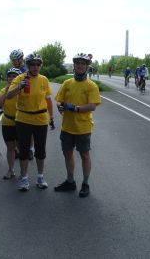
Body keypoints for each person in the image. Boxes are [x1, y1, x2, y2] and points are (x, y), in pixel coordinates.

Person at [54, 53, 101, 198]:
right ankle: (70, 181)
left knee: (84, 155)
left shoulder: (91, 85)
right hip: (67, 126)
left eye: (83, 63)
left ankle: (85, 184)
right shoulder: (67, 83)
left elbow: (92, 106)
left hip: (83, 127)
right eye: (78, 63)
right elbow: (59, 100)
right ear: (74, 66)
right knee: (67, 154)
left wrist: (75, 108)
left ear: (87, 67)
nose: (80, 65)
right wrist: (60, 106)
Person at [6, 54, 55, 191]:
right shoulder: (19, 78)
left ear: (40, 66)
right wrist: (19, 87)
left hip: (40, 119)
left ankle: (40, 177)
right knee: (24, 150)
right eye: (32, 64)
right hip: (23, 119)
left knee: (40, 150)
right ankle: (24, 178)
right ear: (28, 65)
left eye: (38, 64)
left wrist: (51, 117)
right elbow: (9, 95)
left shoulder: (44, 79)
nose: (35, 67)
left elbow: (48, 100)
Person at [0, 67, 22, 180]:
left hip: (21, 122)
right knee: (10, 148)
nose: (11, 78)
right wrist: (6, 91)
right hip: (7, 122)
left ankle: (23, 173)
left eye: (14, 76)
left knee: (21, 148)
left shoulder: (23, 90)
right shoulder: (4, 90)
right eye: (10, 76)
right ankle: (11, 170)